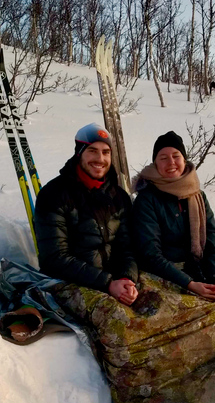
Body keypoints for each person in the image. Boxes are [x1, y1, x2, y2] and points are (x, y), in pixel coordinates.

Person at [34, 123, 138, 306]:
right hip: (68, 283)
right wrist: (107, 283)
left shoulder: (118, 196)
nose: (100, 158)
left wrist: (126, 278)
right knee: (123, 323)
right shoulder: (54, 195)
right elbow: (55, 258)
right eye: (92, 151)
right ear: (79, 153)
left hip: (114, 280)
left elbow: (127, 247)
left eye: (106, 152)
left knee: (171, 307)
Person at [132, 131, 215, 301]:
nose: (171, 162)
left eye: (176, 156)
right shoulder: (147, 199)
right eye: (163, 158)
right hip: (162, 276)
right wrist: (189, 284)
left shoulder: (198, 196)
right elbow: (150, 254)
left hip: (197, 271)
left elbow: (213, 242)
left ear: (184, 159)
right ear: (155, 163)